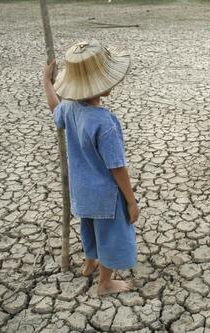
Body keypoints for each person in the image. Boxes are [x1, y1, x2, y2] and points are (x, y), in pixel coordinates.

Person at [42, 41, 138, 296]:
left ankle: (88, 263)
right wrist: (131, 201)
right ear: (103, 85)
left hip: (81, 189)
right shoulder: (105, 122)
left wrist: (47, 82)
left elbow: (55, 108)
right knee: (109, 235)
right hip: (105, 194)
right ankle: (105, 283)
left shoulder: (70, 109)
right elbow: (117, 167)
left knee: (89, 228)